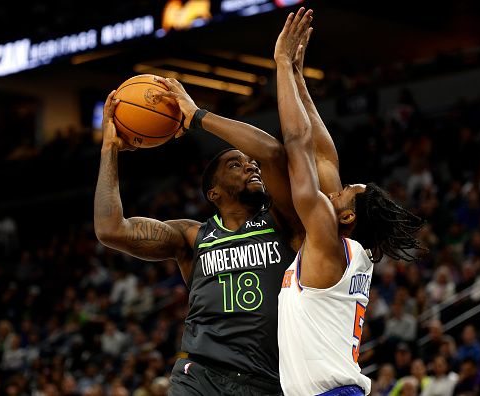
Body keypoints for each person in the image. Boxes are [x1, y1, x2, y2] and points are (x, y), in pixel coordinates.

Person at [94, 80, 303, 393]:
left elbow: (272, 151)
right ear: (213, 192)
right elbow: (110, 229)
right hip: (200, 374)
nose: (250, 167)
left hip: (266, 379)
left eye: (250, 163)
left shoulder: (282, 222)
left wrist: (198, 116)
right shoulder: (192, 236)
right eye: (236, 164)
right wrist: (109, 149)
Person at [272, 8, 424, 395]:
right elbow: (324, 157)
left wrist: (281, 64)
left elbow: (298, 145)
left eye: (343, 191)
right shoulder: (347, 247)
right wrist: (299, 80)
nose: (335, 189)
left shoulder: (329, 242)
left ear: (349, 214)